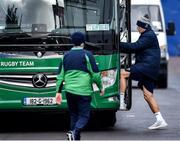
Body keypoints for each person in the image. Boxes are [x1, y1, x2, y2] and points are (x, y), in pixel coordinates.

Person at [120, 14, 168, 130]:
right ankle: (160, 119)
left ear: (143, 27)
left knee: (122, 73)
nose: (137, 28)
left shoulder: (148, 36)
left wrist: (117, 44)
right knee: (148, 95)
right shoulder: (148, 34)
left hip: (146, 67)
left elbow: (134, 47)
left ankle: (121, 101)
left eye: (138, 26)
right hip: (150, 68)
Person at [56, 31, 104, 140]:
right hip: (84, 91)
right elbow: (96, 74)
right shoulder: (87, 55)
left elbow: (60, 76)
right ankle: (74, 132)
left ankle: (74, 137)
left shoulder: (65, 56)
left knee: (74, 115)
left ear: (72, 42)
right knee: (84, 115)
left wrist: (58, 92)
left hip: (69, 91)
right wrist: (101, 87)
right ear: (83, 43)